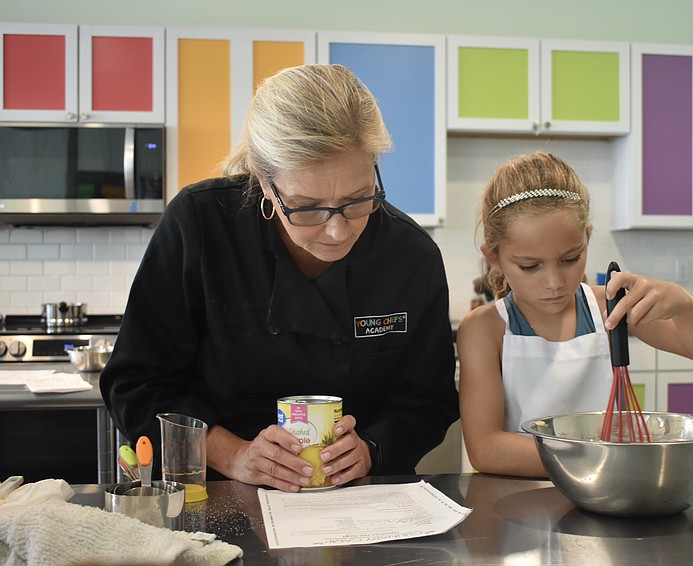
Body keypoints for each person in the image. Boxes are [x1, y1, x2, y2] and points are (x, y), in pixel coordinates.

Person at [100, 64, 459, 492]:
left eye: (357, 200)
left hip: (361, 500)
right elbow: (137, 382)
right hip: (216, 491)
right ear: (263, 181)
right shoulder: (201, 225)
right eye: (306, 207)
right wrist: (233, 454)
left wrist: (370, 449)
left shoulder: (410, 256)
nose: (337, 231)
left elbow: (429, 401)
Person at [456, 151, 693, 478]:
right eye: (529, 266)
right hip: (523, 500)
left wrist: (685, 305)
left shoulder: (610, 307)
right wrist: (599, 459)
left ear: (587, 238)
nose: (554, 282)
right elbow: (487, 450)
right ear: (493, 257)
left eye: (570, 259)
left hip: (610, 495)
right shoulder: (485, 330)